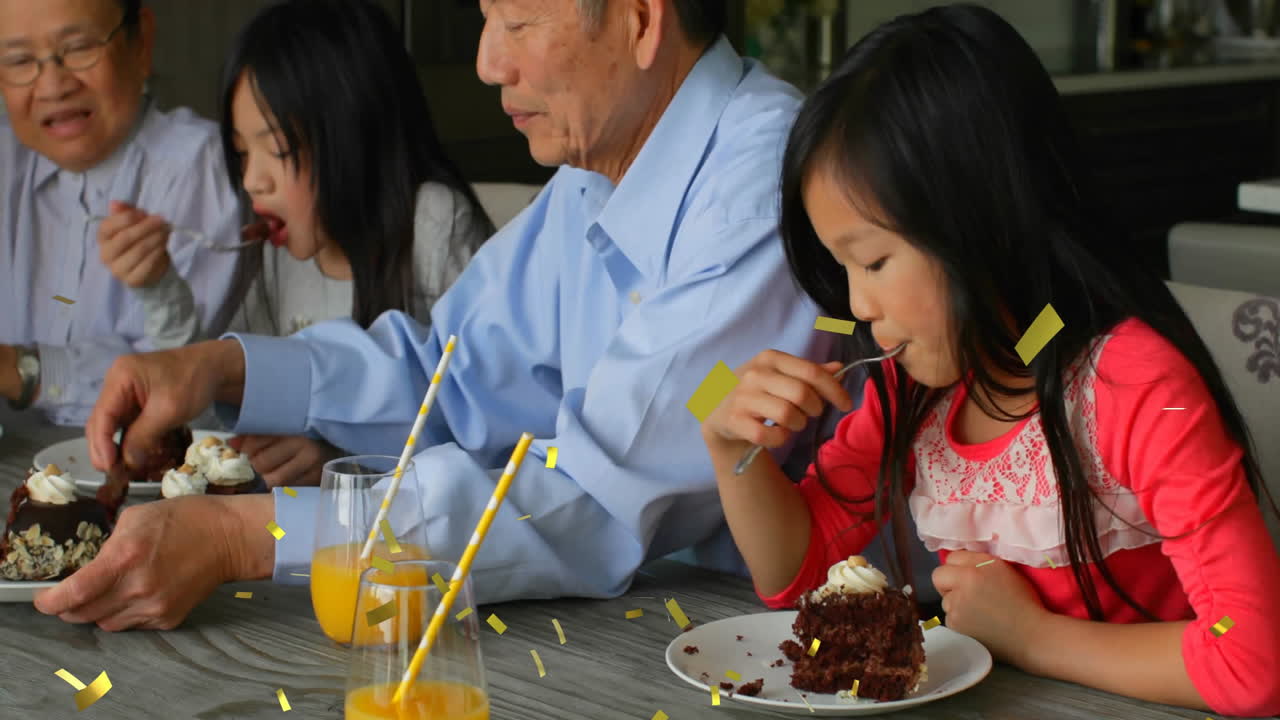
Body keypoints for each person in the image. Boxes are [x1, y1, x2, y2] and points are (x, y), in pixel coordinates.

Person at [40, 0, 835, 632]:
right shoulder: (598, 172)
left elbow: (592, 505)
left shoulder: (758, 189)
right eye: (485, 20)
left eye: (516, 22)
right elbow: (446, 376)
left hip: (750, 641)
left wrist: (244, 536)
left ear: (639, 19)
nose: (489, 61)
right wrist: (225, 369)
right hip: (623, 621)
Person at [700, 5, 1280, 717]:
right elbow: (794, 573)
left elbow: (1253, 662)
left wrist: (1031, 637)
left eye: (874, 260)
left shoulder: (1134, 386)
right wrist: (731, 448)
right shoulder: (910, 392)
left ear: (978, 220)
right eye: (842, 268)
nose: (858, 305)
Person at [136, 0, 494, 486]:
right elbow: (224, 409)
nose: (253, 181)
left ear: (355, 132)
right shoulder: (282, 254)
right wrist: (161, 289)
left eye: (278, 150)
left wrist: (347, 456)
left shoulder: (433, 224)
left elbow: (486, 424)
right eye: (242, 153)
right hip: (290, 531)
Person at [0, 0, 246, 426]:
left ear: (141, 43)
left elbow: (184, 377)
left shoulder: (205, 169)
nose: (53, 86)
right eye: (19, 60)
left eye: (78, 48)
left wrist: (21, 370)